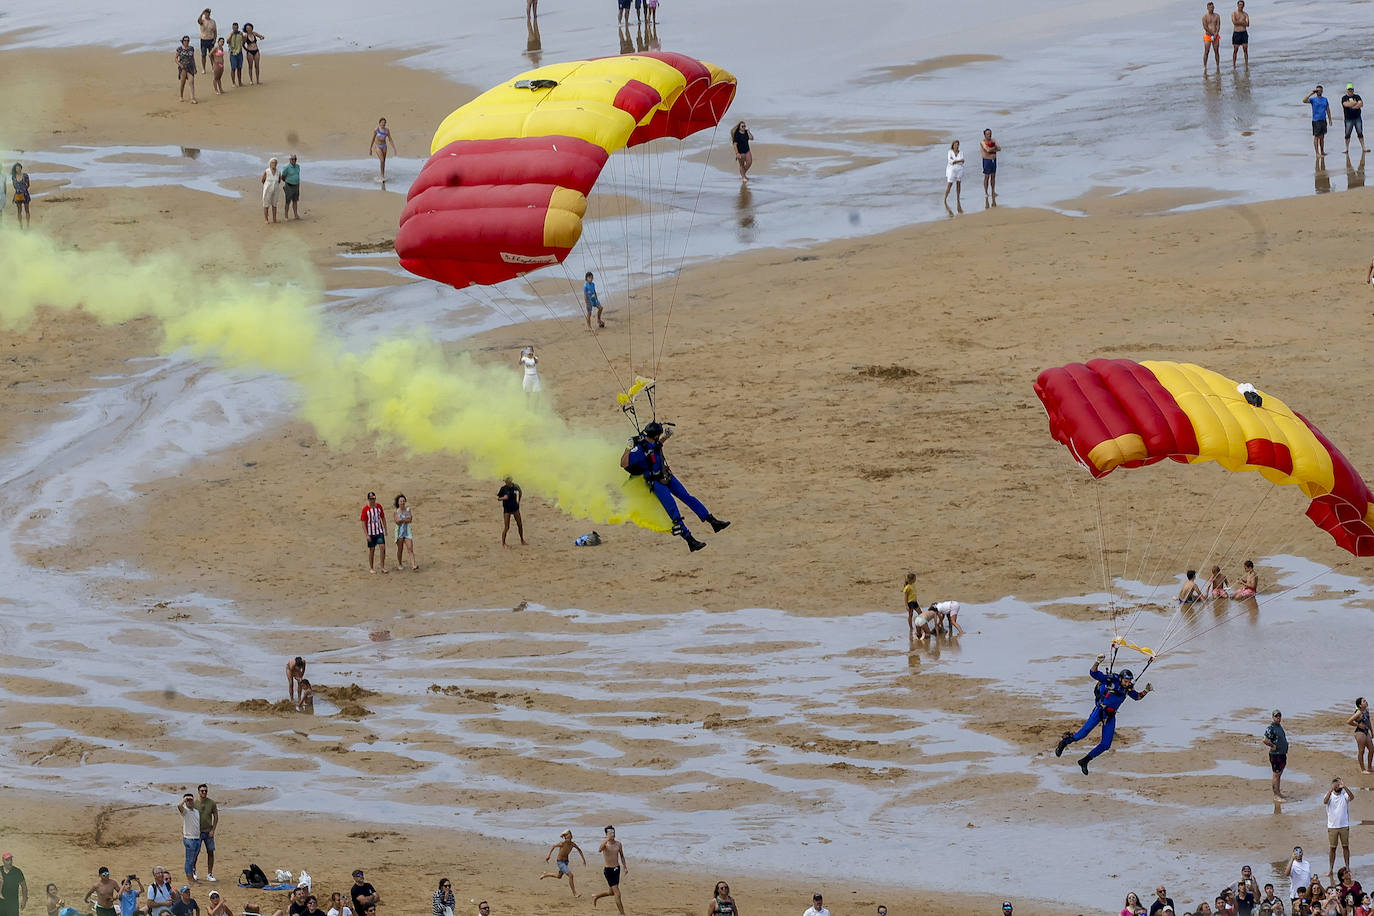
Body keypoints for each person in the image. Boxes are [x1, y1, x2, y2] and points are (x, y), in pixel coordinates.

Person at [621, 421, 729, 551]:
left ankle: (713, 522)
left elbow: (656, 446)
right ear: (655, 435)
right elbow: (623, 464)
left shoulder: (651, 441)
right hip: (656, 483)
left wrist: (665, 437)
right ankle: (690, 541)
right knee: (673, 511)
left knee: (688, 498)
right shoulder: (638, 450)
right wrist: (628, 448)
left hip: (668, 476)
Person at [1055, 652, 1155, 773]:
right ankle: (1064, 743)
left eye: (1129, 681)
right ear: (1121, 679)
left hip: (1111, 716)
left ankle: (1085, 761)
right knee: (1081, 734)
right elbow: (1093, 673)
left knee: (1106, 744)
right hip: (1100, 711)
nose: (1128, 683)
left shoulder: (1128, 689)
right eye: (1126, 681)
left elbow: (1137, 697)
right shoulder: (1111, 680)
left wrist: (1146, 690)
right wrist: (1097, 662)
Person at [591, 826, 627, 914]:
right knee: (617, 894)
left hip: (616, 869)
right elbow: (599, 849)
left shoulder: (618, 844)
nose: (612, 834)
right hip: (609, 871)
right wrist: (606, 839)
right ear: (606, 834)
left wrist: (624, 866)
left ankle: (596, 896)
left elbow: (621, 856)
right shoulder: (605, 844)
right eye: (610, 833)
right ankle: (622, 913)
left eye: (613, 832)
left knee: (611, 892)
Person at [539, 830, 585, 898]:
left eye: (569, 836)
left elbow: (579, 850)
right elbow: (553, 846)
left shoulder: (573, 844)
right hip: (560, 862)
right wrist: (548, 856)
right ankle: (574, 893)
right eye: (566, 837)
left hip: (566, 862)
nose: (567, 839)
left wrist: (583, 860)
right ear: (565, 838)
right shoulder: (562, 843)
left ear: (571, 836)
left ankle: (545, 874)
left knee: (559, 876)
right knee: (571, 875)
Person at [1325, 777, 1354, 879]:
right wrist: (1330, 789)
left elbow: (1352, 797)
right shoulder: (1330, 795)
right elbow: (1325, 801)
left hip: (1344, 825)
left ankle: (1347, 867)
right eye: (1336, 785)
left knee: (1345, 847)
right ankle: (1330, 869)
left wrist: (1345, 786)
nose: (1338, 786)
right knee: (1332, 848)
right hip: (1332, 826)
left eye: (1339, 785)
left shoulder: (1344, 795)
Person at [1264, 709, 1289, 800]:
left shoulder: (1279, 727)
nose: (1278, 718)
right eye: (1276, 716)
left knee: (1279, 773)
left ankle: (1278, 792)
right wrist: (1272, 745)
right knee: (1276, 774)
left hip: (1282, 753)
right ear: (1273, 717)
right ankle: (1275, 795)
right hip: (1275, 754)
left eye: (1279, 716)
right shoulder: (1271, 728)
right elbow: (1265, 739)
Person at [195, 784, 218, 882]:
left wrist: (213, 830)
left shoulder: (211, 803)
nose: (204, 792)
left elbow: (216, 816)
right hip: (198, 832)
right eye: (202, 791)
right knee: (195, 853)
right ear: (198, 792)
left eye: (205, 791)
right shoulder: (194, 803)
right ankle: (194, 871)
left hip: (208, 831)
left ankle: (209, 873)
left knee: (210, 852)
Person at [176, 793, 201, 883]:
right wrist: (185, 799)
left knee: (193, 859)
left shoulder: (196, 811)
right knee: (189, 860)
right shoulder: (185, 811)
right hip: (189, 839)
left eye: (191, 800)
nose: (190, 802)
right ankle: (190, 879)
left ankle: (192, 877)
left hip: (197, 838)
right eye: (188, 800)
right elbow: (179, 805)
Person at [361, 492, 387, 573]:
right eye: (371, 499)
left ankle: (382, 567)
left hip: (379, 532)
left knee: (382, 547)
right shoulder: (365, 509)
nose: (373, 500)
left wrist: (385, 529)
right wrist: (366, 535)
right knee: (372, 550)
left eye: (374, 498)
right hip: (371, 533)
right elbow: (363, 522)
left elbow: (383, 518)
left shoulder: (379, 507)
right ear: (368, 499)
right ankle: (371, 568)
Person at [497, 476, 526, 547]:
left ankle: (522, 540)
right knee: (507, 527)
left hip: (515, 508)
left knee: (520, 524)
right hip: (507, 509)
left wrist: (519, 501)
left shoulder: (515, 486)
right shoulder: (503, 489)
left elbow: (520, 491)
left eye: (507, 480)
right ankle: (503, 543)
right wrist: (503, 498)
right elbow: (498, 498)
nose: (506, 482)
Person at [1346, 698, 1372, 774]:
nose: (1366, 701)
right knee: (1361, 751)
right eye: (1364, 701)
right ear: (1360, 705)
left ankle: (1369, 767)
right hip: (1360, 733)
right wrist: (1358, 725)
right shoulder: (1358, 713)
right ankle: (1363, 769)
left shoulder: (1367, 710)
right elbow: (1349, 721)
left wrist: (1372, 731)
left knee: (1371, 749)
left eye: (1365, 700)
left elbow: (1368, 722)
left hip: (1367, 732)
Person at [1306, 87, 1334, 157]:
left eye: (1320, 90)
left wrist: (1330, 119)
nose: (1319, 91)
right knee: (1316, 137)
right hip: (1316, 120)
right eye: (1318, 90)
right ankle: (1317, 153)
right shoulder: (1313, 99)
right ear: (1316, 91)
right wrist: (1311, 93)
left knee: (1322, 137)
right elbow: (1304, 100)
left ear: (1322, 91)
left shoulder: (1325, 99)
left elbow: (1327, 109)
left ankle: (1322, 151)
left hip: (1323, 120)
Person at [1341, 84, 1368, 154]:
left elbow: (1361, 104)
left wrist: (1353, 105)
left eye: (1351, 89)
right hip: (1348, 119)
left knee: (1360, 133)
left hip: (1357, 118)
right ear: (1347, 90)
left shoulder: (1357, 96)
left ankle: (1364, 148)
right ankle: (1346, 149)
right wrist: (1355, 103)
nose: (1350, 91)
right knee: (1347, 134)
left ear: (1353, 90)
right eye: (1349, 89)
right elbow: (1345, 104)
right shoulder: (1344, 97)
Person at [394, 495, 417, 571]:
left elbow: (410, 519)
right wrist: (405, 519)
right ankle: (400, 563)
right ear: (398, 502)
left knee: (410, 548)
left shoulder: (408, 509)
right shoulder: (396, 511)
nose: (402, 502)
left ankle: (413, 565)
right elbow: (397, 521)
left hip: (407, 531)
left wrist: (402, 519)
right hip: (399, 532)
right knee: (400, 549)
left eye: (403, 501)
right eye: (401, 501)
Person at [174, 36, 198, 104]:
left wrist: (195, 68)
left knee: (191, 82)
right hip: (183, 68)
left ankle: (192, 98)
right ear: (182, 41)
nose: (186, 42)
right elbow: (175, 58)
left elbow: (193, 58)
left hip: (190, 67)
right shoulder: (179, 49)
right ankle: (181, 96)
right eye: (185, 40)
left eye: (188, 40)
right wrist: (180, 64)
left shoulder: (191, 48)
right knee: (183, 83)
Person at [979, 129, 1001, 198]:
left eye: (990, 133)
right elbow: (987, 150)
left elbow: (999, 148)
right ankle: (986, 192)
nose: (989, 135)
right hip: (987, 160)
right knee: (987, 176)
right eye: (988, 134)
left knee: (993, 176)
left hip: (993, 160)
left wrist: (993, 148)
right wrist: (994, 148)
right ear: (985, 135)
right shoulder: (983, 142)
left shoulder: (993, 140)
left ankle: (993, 191)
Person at [261, 158, 282, 224]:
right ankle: (266, 219)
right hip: (267, 190)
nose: (274, 164)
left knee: (274, 204)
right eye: (272, 162)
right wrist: (267, 186)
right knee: (266, 204)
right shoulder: (267, 171)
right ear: (270, 163)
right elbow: (263, 180)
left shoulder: (278, 172)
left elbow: (279, 181)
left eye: (275, 163)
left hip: (275, 190)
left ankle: (274, 219)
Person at [944, 140, 964, 208]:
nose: (956, 146)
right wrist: (958, 161)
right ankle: (945, 198)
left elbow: (962, 161)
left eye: (957, 144)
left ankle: (958, 198)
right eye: (955, 144)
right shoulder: (950, 152)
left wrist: (956, 161)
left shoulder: (961, 152)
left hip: (959, 169)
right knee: (949, 184)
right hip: (951, 170)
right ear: (953, 145)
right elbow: (950, 161)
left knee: (958, 184)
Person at [280, 154, 301, 220]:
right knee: (287, 201)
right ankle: (286, 216)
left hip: (296, 185)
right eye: (292, 159)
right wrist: (287, 181)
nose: (293, 160)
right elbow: (283, 176)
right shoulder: (287, 167)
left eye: (295, 159)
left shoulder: (298, 166)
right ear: (289, 160)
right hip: (289, 185)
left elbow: (297, 174)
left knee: (295, 201)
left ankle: (296, 215)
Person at [9, 163, 29, 228]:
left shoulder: (25, 175)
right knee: (19, 211)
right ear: (15, 169)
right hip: (17, 194)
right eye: (17, 168)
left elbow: (28, 184)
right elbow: (14, 186)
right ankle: (21, 226)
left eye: (19, 167)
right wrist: (18, 191)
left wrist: (23, 190)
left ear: (21, 167)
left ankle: (28, 225)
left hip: (25, 194)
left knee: (27, 210)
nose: (18, 169)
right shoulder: (13, 177)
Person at [1203, 3, 1222, 67]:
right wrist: (1212, 33)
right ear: (1207, 8)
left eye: (1212, 7)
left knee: (1216, 51)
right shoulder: (1205, 16)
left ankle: (1217, 65)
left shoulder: (1217, 16)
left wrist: (1216, 33)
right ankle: (1205, 66)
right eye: (1210, 7)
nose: (1211, 9)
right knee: (1206, 51)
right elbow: (1205, 27)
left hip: (1215, 35)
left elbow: (1218, 25)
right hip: (1208, 35)